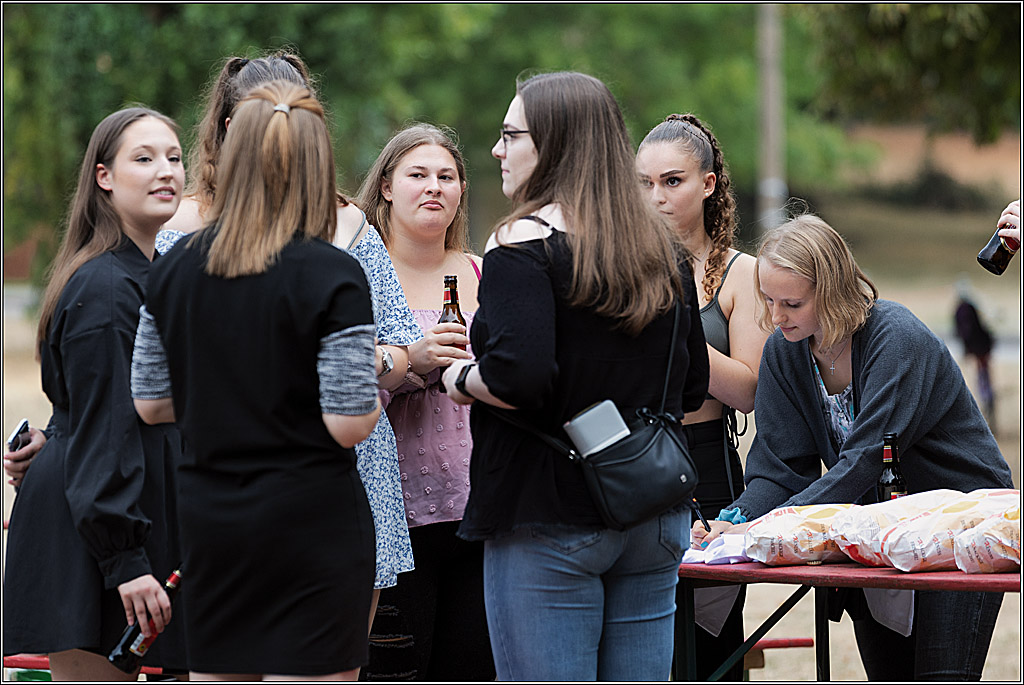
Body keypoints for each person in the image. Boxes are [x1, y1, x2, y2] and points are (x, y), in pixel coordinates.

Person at [441, 71, 710, 681]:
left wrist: (458, 379)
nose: (497, 150)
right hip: (652, 512)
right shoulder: (662, 249)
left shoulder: (521, 242)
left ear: (554, 145)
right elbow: (692, 385)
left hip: (548, 511)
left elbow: (519, 378)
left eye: (511, 135)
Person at [692, 213, 1013, 681]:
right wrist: (735, 520)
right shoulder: (785, 349)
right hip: (876, 530)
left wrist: (765, 526)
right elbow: (779, 469)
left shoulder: (895, 337)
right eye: (768, 300)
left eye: (792, 303)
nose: (776, 317)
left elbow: (864, 461)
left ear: (831, 291)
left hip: (960, 528)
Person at [131, 80, 381, 680]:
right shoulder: (334, 275)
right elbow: (349, 424)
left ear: (230, 157)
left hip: (213, 525)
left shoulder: (172, 269)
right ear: (318, 166)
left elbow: (151, 403)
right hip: (312, 523)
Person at [161, 50, 419, 626]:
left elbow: (400, 347)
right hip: (246, 472)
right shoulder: (179, 231)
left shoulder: (349, 227)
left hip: (326, 474)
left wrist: (369, 359)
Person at [2, 107, 188, 680]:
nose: (166, 171)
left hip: (127, 511)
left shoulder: (155, 272)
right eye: (144, 158)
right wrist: (125, 561)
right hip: (101, 532)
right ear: (104, 177)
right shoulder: (106, 288)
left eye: (174, 157)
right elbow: (107, 428)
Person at [355, 123, 495, 681]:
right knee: (397, 669)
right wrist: (410, 362)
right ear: (387, 187)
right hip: (394, 512)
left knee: (472, 668)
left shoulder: (484, 271)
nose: (434, 186)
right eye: (417, 174)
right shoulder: (361, 271)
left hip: (478, 506)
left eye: (447, 176)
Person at [636, 113, 769, 680]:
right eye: (644, 183)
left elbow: (750, 390)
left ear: (708, 184)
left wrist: (678, 328)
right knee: (639, 641)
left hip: (706, 460)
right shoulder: (618, 266)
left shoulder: (742, 273)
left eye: (672, 181)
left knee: (711, 649)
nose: (657, 197)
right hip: (631, 458)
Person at [953, 277, 996, 429]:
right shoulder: (968, 308)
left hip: (978, 350)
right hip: (980, 349)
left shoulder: (962, 310)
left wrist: (967, 349)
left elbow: (965, 332)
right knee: (982, 378)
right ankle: (987, 404)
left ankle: (987, 404)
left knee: (982, 378)